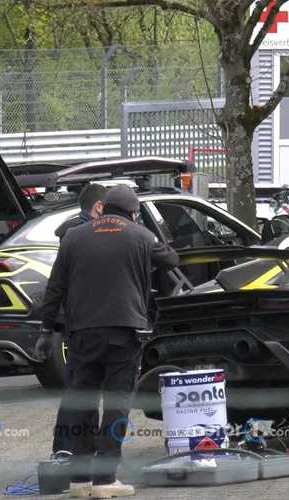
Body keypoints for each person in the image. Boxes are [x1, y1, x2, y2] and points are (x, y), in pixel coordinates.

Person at [37, 185, 179, 498]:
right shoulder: (140, 235)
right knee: (117, 404)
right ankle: (105, 480)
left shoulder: (74, 236)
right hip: (124, 332)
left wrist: (46, 330)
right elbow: (171, 258)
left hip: (81, 333)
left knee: (82, 404)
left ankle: (79, 481)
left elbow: (55, 287)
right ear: (132, 211)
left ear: (103, 208)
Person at [51, 183, 108, 455]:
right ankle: (70, 448)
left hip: (78, 318)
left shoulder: (71, 231)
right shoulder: (87, 233)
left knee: (80, 387)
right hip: (85, 319)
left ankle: (70, 448)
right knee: (82, 388)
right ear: (99, 207)